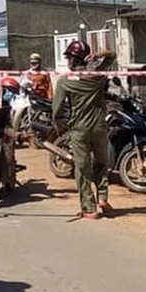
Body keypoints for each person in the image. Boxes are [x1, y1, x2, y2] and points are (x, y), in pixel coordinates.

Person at [52, 40, 115, 219]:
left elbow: (56, 109)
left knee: (82, 168)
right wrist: (99, 55)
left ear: (73, 59)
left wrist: (57, 123)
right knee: (102, 163)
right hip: (100, 126)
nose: (67, 61)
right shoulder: (97, 75)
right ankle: (102, 197)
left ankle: (89, 208)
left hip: (79, 129)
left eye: (68, 58)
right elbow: (113, 55)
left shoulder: (64, 80)